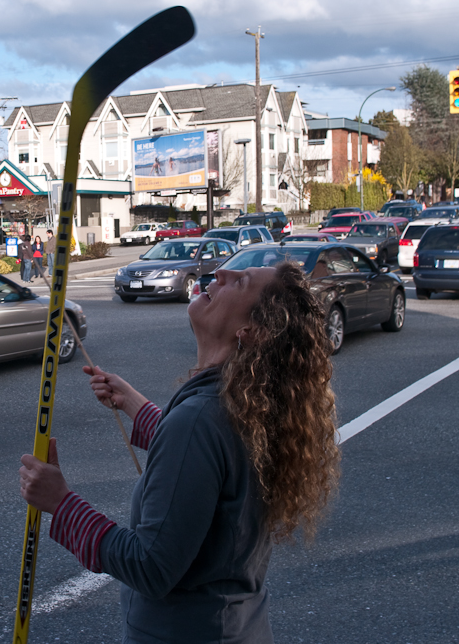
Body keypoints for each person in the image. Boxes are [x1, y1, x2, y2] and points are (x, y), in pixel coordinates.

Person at [19, 262, 340, 643]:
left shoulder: (202, 419)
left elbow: (151, 566)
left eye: (239, 281)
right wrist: (134, 404)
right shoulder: (252, 405)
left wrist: (61, 502)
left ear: (250, 331)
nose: (219, 273)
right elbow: (208, 468)